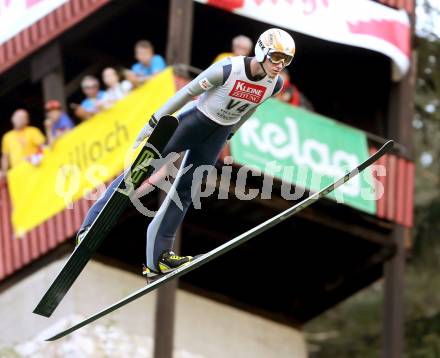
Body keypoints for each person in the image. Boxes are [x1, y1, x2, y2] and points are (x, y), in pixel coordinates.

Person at [75, 28, 296, 279]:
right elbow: (187, 92)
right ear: (261, 51)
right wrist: (153, 123)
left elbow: (251, 107)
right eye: (276, 57)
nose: (280, 65)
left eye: (286, 60)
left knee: (186, 191)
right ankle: (90, 225)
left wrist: (232, 132)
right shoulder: (227, 69)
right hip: (192, 123)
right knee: (140, 170)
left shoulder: (275, 84)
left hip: (217, 136)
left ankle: (159, 259)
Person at [1, 109, 46, 177]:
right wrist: (4, 172)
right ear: (12, 119)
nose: (19, 119)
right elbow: (5, 157)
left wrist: (34, 158)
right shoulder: (7, 136)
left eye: (22, 117)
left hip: (34, 170)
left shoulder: (33, 131)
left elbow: (44, 148)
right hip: (17, 173)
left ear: (27, 121)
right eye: (17, 117)